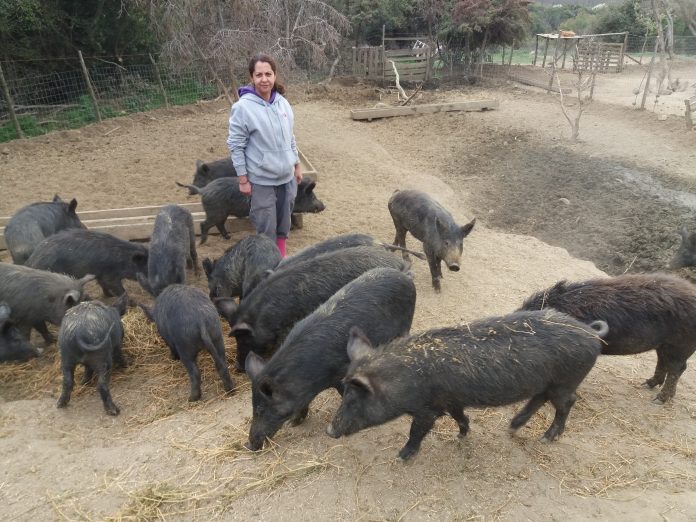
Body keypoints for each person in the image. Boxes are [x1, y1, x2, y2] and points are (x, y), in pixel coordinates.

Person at [226, 53, 302, 258]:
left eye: (268, 74)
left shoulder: (283, 103)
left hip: (286, 176)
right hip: (261, 180)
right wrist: (243, 179)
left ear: (275, 75)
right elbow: (236, 145)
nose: (264, 79)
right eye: (259, 74)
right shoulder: (242, 107)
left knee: (284, 221)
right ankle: (268, 262)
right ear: (252, 77)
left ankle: (281, 256)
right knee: (265, 224)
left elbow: (290, 137)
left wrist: (296, 164)